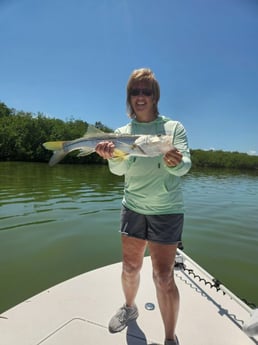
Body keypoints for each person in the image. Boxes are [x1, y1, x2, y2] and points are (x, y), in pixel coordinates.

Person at [95, 68, 191, 345]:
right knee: (129, 267)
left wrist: (175, 163)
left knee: (163, 277)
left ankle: (170, 338)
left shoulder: (173, 128)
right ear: (129, 96)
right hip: (133, 207)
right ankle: (129, 308)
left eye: (146, 91)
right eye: (135, 91)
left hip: (167, 210)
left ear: (155, 96)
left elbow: (185, 166)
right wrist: (110, 157)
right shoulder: (122, 133)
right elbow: (118, 170)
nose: (140, 96)